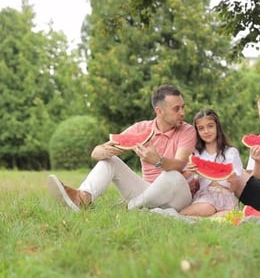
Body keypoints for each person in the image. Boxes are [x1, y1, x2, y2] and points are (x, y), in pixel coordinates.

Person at [47, 84, 197, 212]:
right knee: (111, 161)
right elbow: (96, 152)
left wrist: (158, 161)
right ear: (159, 111)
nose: (182, 113)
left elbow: (179, 165)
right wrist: (103, 152)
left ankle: (129, 207)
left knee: (172, 175)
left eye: (183, 107)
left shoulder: (187, 130)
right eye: (176, 109)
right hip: (145, 190)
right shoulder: (141, 128)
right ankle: (82, 199)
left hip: (176, 195)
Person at [179, 109, 243, 217]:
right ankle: (175, 215)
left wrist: (232, 181)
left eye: (210, 126)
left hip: (226, 196)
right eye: (201, 128)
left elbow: (234, 187)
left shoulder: (231, 152)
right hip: (205, 196)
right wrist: (189, 173)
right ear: (197, 132)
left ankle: (205, 219)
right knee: (206, 208)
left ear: (217, 127)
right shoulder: (195, 154)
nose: (206, 131)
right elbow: (187, 182)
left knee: (227, 215)